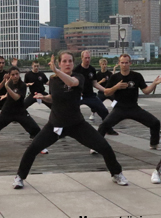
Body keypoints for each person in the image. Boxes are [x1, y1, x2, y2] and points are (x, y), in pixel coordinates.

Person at [12, 52, 130, 189]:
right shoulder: (53, 80)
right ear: (60, 62)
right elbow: (54, 97)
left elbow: (72, 82)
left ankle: (117, 173)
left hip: (76, 124)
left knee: (104, 147)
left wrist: (56, 70)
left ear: (73, 64)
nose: (67, 64)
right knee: (32, 149)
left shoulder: (78, 77)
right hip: (55, 124)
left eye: (70, 61)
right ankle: (19, 177)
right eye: (64, 61)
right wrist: (45, 98)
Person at [96, 54, 161, 150]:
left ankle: (154, 144)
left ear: (130, 63)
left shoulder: (137, 76)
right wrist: (116, 87)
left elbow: (146, 91)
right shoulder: (114, 77)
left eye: (126, 62)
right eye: (122, 63)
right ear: (119, 63)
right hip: (119, 108)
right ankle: (96, 146)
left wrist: (154, 84)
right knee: (104, 125)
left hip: (133, 108)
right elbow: (106, 93)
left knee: (155, 123)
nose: (124, 65)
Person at [0, 67, 43, 156]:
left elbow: (16, 97)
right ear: (10, 76)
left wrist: (7, 87)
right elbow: (6, 91)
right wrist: (5, 95)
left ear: (19, 74)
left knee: (35, 129)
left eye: (17, 74)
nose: (15, 76)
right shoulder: (9, 83)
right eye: (13, 75)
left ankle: (41, 147)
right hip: (7, 111)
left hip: (20, 111)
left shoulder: (22, 85)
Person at [74, 51, 110, 124]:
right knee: (68, 111)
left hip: (90, 95)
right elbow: (71, 83)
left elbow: (95, 83)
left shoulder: (92, 69)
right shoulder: (76, 70)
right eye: (86, 58)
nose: (87, 60)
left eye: (89, 58)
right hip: (78, 96)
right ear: (82, 58)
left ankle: (107, 128)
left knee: (104, 111)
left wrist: (105, 90)